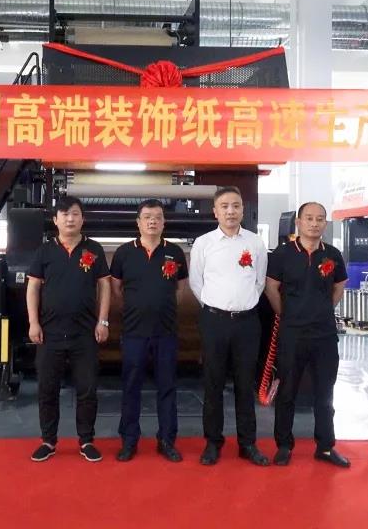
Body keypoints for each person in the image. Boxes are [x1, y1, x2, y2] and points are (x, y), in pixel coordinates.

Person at [264, 202, 351, 468]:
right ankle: (284, 445)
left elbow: (339, 288)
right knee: (287, 391)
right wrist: (288, 314)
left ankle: (325, 446)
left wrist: (321, 310)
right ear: (298, 222)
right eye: (309, 218)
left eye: (320, 219)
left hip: (324, 335)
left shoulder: (332, 254)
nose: (314, 223)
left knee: (325, 393)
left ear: (325, 223)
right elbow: (271, 288)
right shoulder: (282, 254)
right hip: (292, 333)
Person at [26, 196, 111, 463]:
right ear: (56, 220)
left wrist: (103, 321)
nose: (70, 219)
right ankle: (48, 441)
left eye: (75, 214)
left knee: (87, 389)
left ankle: (86, 440)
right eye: (64, 214)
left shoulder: (93, 249)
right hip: (49, 333)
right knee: (47, 389)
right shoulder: (44, 251)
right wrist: (33, 322)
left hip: (85, 333)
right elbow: (33, 287)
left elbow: (105, 286)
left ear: (82, 218)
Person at [189, 186, 270, 467]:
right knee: (213, 383)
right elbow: (196, 283)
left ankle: (247, 443)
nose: (231, 211)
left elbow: (259, 282)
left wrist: (241, 304)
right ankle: (213, 442)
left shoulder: (255, 243)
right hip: (214, 321)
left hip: (247, 322)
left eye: (236, 206)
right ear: (215, 211)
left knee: (245, 385)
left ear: (243, 210)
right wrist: (216, 306)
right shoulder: (204, 243)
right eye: (224, 206)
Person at [109, 199, 188, 463]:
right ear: (138, 222)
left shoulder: (175, 252)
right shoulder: (124, 253)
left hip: (166, 332)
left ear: (164, 222)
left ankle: (166, 440)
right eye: (147, 217)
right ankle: (129, 440)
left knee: (167, 387)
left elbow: (180, 289)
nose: (152, 221)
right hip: (134, 332)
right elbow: (116, 289)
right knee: (131, 387)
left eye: (157, 217)